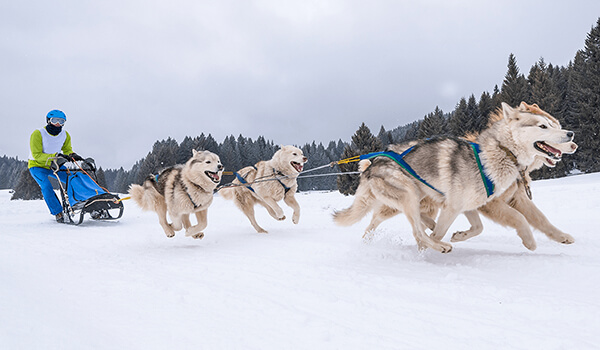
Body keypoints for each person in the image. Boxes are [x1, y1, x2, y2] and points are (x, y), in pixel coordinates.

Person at [28, 110, 83, 222]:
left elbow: (67, 150)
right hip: (37, 166)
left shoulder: (65, 135)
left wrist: (72, 155)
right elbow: (37, 155)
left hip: (55, 165)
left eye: (61, 121)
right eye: (55, 120)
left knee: (73, 179)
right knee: (46, 186)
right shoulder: (38, 134)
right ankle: (58, 212)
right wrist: (56, 155)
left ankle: (86, 203)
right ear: (48, 121)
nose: (58, 124)